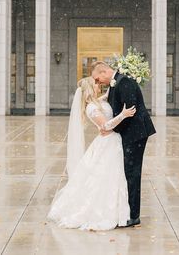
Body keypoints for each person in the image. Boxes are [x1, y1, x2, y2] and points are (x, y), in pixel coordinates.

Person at [47, 76, 136, 231]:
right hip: (107, 143)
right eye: (95, 83)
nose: (98, 85)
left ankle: (117, 211)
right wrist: (123, 114)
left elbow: (109, 92)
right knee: (106, 178)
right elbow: (106, 126)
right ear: (90, 88)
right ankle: (104, 212)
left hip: (113, 142)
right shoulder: (91, 108)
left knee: (113, 177)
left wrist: (121, 77)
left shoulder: (98, 102)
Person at [91, 61, 156, 227]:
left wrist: (113, 129)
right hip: (129, 133)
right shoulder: (115, 83)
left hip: (136, 133)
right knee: (128, 171)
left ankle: (134, 216)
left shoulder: (124, 82)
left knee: (133, 173)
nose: (99, 82)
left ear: (105, 72)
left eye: (98, 79)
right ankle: (128, 211)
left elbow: (130, 112)